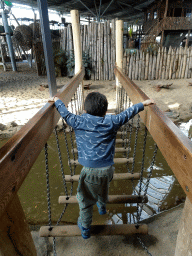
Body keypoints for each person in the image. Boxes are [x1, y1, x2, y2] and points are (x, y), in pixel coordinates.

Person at [49, 92, 155, 239]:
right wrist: (141, 105)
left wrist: (57, 101)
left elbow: (65, 113)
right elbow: (127, 114)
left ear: (84, 110)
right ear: (105, 111)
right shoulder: (112, 121)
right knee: (103, 187)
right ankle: (102, 207)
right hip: (108, 170)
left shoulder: (77, 121)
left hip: (90, 172)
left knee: (85, 201)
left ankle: (85, 228)